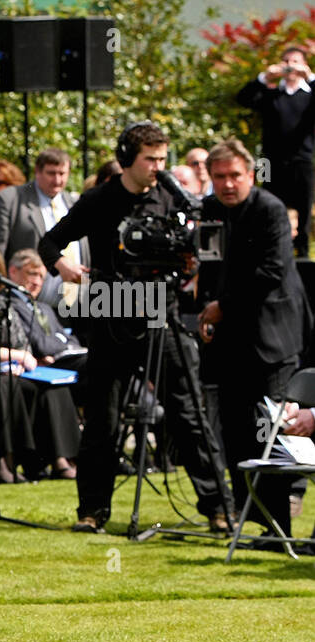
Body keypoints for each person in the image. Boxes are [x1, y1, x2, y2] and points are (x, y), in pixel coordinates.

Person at [39, 121, 229, 533]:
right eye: (150, 159)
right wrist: (64, 265)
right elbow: (49, 242)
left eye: (163, 159)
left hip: (161, 306)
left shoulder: (174, 199)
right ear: (127, 158)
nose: (157, 167)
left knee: (187, 412)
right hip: (112, 309)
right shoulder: (99, 200)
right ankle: (92, 512)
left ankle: (217, 507)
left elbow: (206, 247)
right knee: (104, 419)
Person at [198, 138, 309, 536]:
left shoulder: (270, 210)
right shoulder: (209, 210)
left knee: (271, 433)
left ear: (250, 175)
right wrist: (206, 306)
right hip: (229, 342)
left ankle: (278, 528)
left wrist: (221, 307)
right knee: (235, 434)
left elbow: (271, 271)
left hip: (271, 339)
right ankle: (248, 519)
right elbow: (209, 267)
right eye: (219, 177)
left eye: (235, 176)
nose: (228, 184)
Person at [0, 242, 80, 481]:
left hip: (13, 369)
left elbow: (22, 341)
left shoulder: (3, 302)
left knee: (50, 389)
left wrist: (20, 357)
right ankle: (3, 460)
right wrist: (18, 356)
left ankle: (59, 458)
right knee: (2, 386)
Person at [0, 147, 89, 308]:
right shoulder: (11, 200)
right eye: (51, 173)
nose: (57, 180)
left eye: (62, 173)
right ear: (37, 172)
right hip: (29, 303)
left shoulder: (74, 203)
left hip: (75, 303)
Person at [236, 47, 315, 255]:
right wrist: (264, 77)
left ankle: (303, 253)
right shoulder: (271, 95)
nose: (291, 66)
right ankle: (268, 250)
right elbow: (242, 98)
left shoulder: (309, 96)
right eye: (286, 61)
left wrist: (310, 77)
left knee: (304, 207)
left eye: (296, 61)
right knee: (266, 202)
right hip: (268, 162)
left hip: (302, 160)